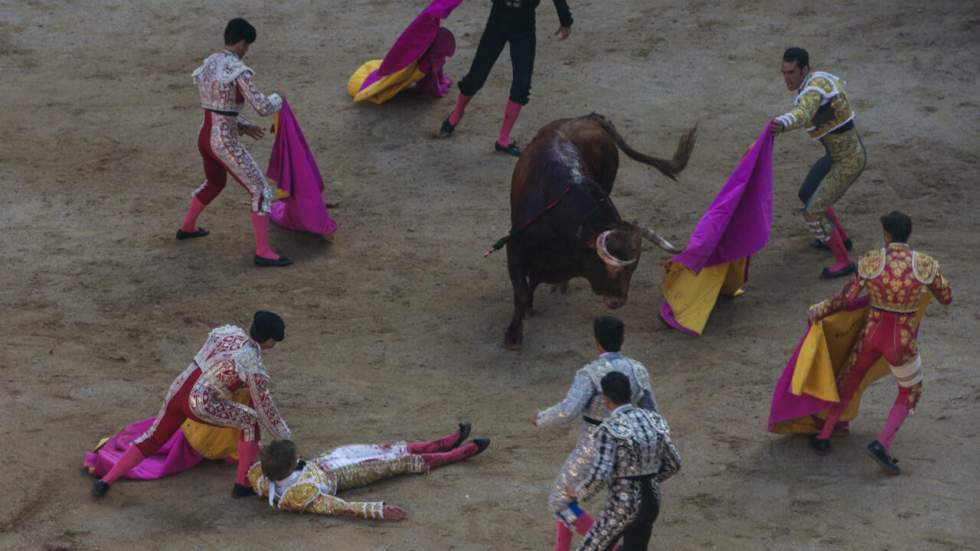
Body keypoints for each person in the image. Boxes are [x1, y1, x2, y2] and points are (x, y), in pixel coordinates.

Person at [807, 211, 952, 473]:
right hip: (902, 342)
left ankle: (824, 435)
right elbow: (946, 297)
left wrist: (820, 309)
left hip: (871, 335)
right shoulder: (925, 264)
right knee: (911, 389)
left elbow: (846, 298)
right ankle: (882, 444)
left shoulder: (872, 260)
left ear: (886, 235)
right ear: (908, 234)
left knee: (850, 378)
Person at [92, 311, 293, 498]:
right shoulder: (254, 367)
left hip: (179, 387)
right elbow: (265, 410)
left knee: (152, 437)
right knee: (250, 421)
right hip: (200, 403)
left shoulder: (227, 332)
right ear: (270, 341)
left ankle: (105, 482)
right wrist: (286, 439)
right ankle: (242, 485)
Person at [177, 18, 293, 267]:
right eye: (247, 46)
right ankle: (263, 252)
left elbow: (216, 106)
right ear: (240, 42)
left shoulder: (209, 63)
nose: (246, 50)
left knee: (215, 182)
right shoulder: (238, 70)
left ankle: (187, 227)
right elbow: (262, 106)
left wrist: (242, 124)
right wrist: (279, 99)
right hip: (223, 142)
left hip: (205, 136)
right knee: (260, 191)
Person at [535, 316, 658, 551]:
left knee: (559, 501)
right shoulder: (637, 369)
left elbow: (567, 412)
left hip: (593, 447)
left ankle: (610, 547)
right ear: (622, 339)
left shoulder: (590, 374)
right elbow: (652, 412)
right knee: (575, 497)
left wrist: (541, 417)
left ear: (596, 342)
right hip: (629, 446)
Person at [248, 427, 489, 519]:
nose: (300, 456)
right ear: (290, 466)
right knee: (400, 462)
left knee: (386, 449)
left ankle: (444, 441)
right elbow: (339, 506)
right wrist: (378, 510)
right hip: (349, 474)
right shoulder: (299, 495)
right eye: (296, 457)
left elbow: (256, 476)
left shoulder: (262, 472)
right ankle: (458, 454)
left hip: (332, 457)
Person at [772, 47, 866, 278]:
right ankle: (841, 238)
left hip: (848, 161)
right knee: (807, 193)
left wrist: (782, 123)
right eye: (784, 72)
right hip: (835, 156)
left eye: (792, 72)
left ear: (805, 69)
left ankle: (844, 261)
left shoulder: (813, 90)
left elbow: (803, 113)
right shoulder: (816, 82)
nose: (787, 78)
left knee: (813, 212)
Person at [438, 0, 574, 156]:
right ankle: (456, 114)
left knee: (522, 84)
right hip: (498, 21)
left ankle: (503, 140)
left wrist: (566, 20)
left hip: (524, 25)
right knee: (475, 77)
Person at [569, 372, 681, 551]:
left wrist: (578, 492)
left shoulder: (609, 429)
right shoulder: (654, 420)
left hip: (623, 506)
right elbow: (674, 464)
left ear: (606, 399)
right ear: (629, 394)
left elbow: (600, 473)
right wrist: (649, 479)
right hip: (652, 502)